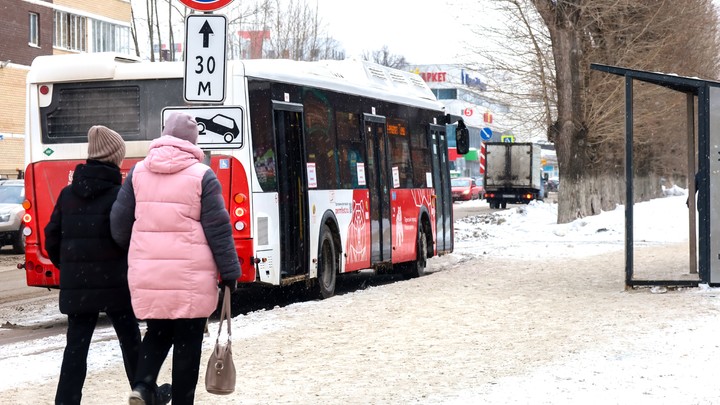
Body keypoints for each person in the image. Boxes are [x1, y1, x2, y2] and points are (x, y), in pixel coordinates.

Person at [110, 112, 241, 405]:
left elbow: (118, 224)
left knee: (156, 333)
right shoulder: (202, 176)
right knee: (188, 340)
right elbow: (218, 229)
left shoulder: (138, 173)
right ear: (193, 141)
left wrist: (142, 249)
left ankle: (143, 386)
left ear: (164, 135)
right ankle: (183, 401)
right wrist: (230, 272)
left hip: (149, 273)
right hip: (190, 277)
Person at [45, 126, 170, 405]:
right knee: (130, 340)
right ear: (115, 157)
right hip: (117, 282)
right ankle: (145, 392)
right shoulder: (120, 195)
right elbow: (132, 238)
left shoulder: (67, 195)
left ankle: (66, 400)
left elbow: (51, 238)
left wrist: (71, 268)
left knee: (76, 347)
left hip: (79, 285)